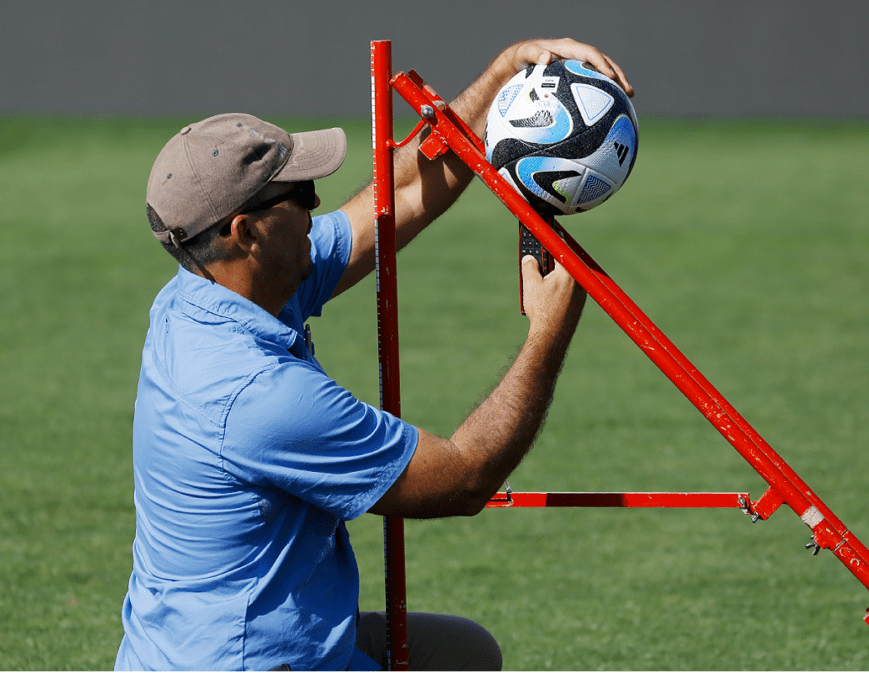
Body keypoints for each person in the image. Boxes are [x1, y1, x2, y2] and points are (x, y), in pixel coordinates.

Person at [116, 38, 633, 671]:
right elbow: (465, 477)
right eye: (299, 195)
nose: (316, 207)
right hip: (248, 660)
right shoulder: (256, 395)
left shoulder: (204, 292)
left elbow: (401, 198)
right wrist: (548, 331)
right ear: (245, 231)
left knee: (465, 653)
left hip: (200, 643)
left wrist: (503, 79)